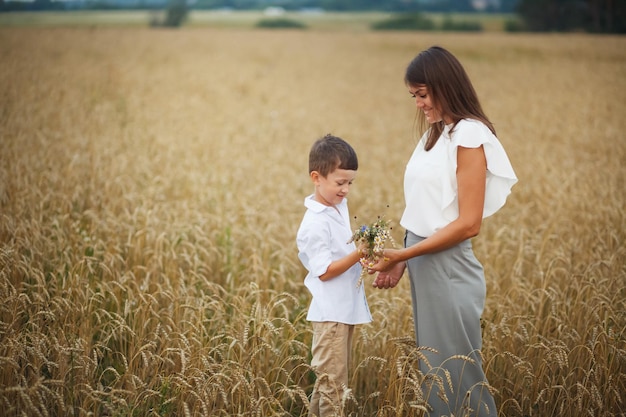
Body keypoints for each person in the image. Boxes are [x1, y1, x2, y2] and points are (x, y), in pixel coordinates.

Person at [370, 46, 518, 417]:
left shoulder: (469, 135)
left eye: (422, 94)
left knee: (461, 378)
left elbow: (469, 223)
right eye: (413, 96)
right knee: (436, 376)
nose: (418, 104)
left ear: (445, 86)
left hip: (448, 268)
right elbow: (422, 208)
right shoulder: (436, 134)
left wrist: (405, 255)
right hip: (424, 264)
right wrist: (404, 257)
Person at [296, 134, 372, 417]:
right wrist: (358, 255)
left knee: (328, 385)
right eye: (340, 183)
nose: (346, 190)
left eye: (350, 182)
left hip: (344, 311)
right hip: (331, 316)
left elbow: (344, 248)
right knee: (334, 388)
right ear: (316, 177)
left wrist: (363, 255)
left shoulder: (337, 205)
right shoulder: (314, 223)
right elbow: (325, 272)